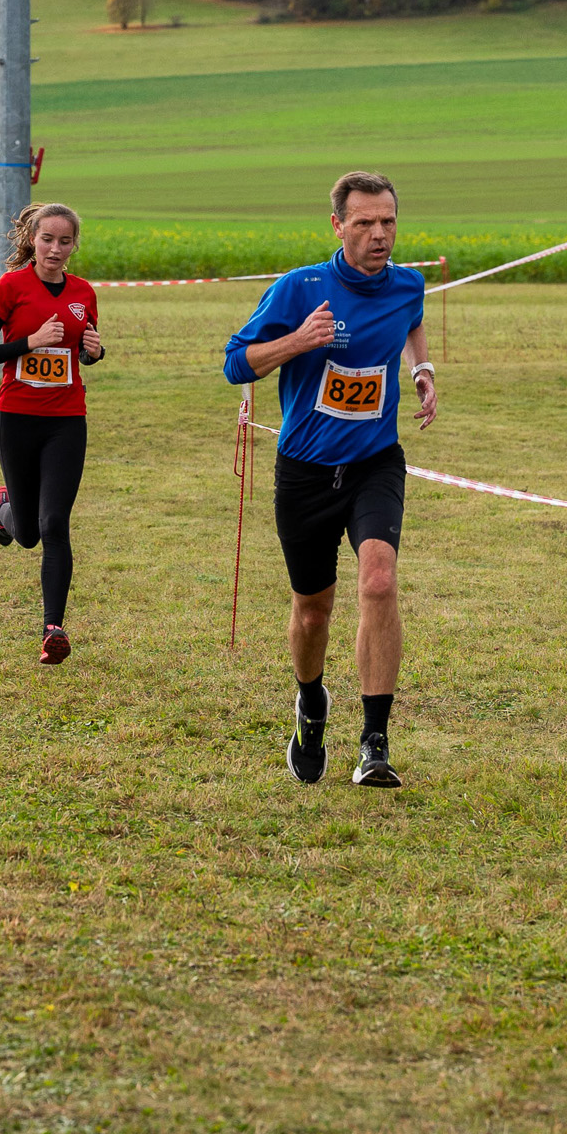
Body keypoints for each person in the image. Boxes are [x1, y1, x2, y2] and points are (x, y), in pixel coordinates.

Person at [223, 172, 438, 787]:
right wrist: (296, 341)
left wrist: (421, 368)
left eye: (388, 221)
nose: (379, 234)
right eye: (365, 222)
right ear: (338, 226)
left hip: (375, 462)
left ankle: (375, 742)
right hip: (305, 471)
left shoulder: (408, 283)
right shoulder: (301, 288)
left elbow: (411, 319)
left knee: (379, 580)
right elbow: (236, 363)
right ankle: (311, 701)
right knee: (313, 611)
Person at [0, 201, 105, 665]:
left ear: (73, 245)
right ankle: (4, 507)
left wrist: (94, 352)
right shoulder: (10, 287)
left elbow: (84, 351)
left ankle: (53, 629)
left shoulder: (83, 292)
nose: (55, 249)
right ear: (33, 240)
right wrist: (29, 342)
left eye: (64, 241)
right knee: (27, 534)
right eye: (47, 239)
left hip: (67, 420)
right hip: (17, 417)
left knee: (54, 524)